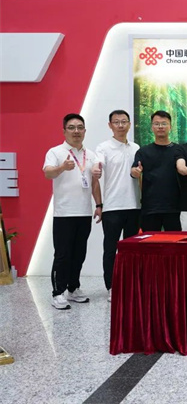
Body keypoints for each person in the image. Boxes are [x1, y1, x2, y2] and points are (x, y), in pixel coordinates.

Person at [43, 113, 102, 310]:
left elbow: (94, 183)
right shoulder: (56, 152)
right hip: (64, 213)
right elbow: (47, 173)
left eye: (79, 127)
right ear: (64, 131)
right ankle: (58, 292)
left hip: (84, 213)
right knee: (63, 254)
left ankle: (73, 288)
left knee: (79, 254)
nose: (76, 131)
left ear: (84, 130)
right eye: (71, 127)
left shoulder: (90, 155)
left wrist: (99, 205)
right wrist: (62, 167)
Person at [92, 110, 140, 302]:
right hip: (112, 207)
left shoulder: (136, 147)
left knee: (131, 251)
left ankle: (130, 284)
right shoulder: (103, 147)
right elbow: (98, 164)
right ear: (110, 125)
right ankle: (112, 286)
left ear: (129, 124)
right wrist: (96, 169)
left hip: (134, 206)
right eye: (116, 122)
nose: (121, 125)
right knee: (111, 248)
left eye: (124, 121)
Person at [131, 110, 181, 231]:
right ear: (152, 127)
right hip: (150, 208)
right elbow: (134, 170)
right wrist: (135, 171)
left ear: (170, 126)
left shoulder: (179, 150)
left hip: (175, 207)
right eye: (157, 124)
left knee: (175, 242)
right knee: (150, 242)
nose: (160, 127)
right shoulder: (143, 151)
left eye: (164, 124)